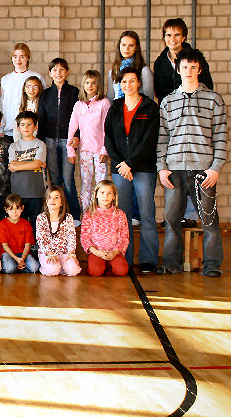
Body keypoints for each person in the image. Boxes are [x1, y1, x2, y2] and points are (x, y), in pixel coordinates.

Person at [157, 47, 227, 277]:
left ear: (200, 69)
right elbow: (162, 138)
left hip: (203, 170)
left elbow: (220, 136)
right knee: (171, 220)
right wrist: (162, 168)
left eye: (193, 67)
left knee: (209, 221)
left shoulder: (214, 100)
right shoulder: (168, 101)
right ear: (178, 69)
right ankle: (171, 264)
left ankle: (212, 265)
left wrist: (215, 168)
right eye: (184, 67)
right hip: (174, 170)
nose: (188, 71)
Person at [104, 67, 160, 274]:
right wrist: (121, 163)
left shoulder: (149, 107)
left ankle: (148, 261)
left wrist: (131, 163)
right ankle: (125, 258)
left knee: (146, 214)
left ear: (139, 83)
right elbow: (108, 138)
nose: (128, 85)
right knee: (123, 216)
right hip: (120, 169)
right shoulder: (115, 107)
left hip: (143, 168)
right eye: (124, 82)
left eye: (132, 81)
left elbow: (149, 140)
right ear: (120, 85)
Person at [37, 57, 81, 223]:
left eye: (62, 69)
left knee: (68, 180)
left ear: (67, 72)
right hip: (49, 141)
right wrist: (41, 142)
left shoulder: (74, 92)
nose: (58, 73)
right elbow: (41, 118)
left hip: (67, 141)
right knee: (54, 181)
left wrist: (77, 136)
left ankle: (74, 215)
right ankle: (57, 215)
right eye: (54, 69)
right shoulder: (45, 94)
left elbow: (79, 117)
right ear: (50, 73)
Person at [67, 70, 111, 211]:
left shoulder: (104, 103)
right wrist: (70, 151)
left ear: (98, 85)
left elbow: (107, 128)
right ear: (83, 85)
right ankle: (86, 214)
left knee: (101, 184)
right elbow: (72, 128)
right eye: (87, 83)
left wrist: (105, 149)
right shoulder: (78, 105)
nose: (90, 86)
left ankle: (101, 213)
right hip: (85, 150)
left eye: (93, 83)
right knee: (85, 184)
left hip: (99, 151)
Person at [154, 18, 212, 105]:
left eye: (177, 35)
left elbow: (208, 87)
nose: (172, 39)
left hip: (194, 108)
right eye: (169, 35)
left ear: (183, 37)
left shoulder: (196, 59)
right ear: (164, 38)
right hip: (169, 109)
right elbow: (159, 93)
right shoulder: (159, 63)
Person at [80, 180, 129, 277]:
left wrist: (114, 252)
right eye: (102, 193)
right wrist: (96, 252)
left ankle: (108, 266)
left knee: (122, 271)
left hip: (114, 252)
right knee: (96, 272)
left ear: (113, 196)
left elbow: (124, 237)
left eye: (109, 193)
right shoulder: (89, 214)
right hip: (97, 252)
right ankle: (98, 266)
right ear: (96, 195)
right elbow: (85, 237)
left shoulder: (120, 214)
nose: (105, 196)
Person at [8, 111, 47, 229]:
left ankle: (34, 241)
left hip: (36, 192)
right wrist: (33, 163)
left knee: (36, 223)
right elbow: (12, 164)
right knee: (20, 224)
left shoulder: (40, 144)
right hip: (18, 192)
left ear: (35, 127)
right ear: (18, 128)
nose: (26, 127)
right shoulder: (13, 146)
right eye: (23, 124)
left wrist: (17, 166)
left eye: (29, 124)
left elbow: (36, 163)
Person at [0, 43, 45, 141]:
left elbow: (43, 103)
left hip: (32, 132)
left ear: (28, 58)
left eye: (22, 57)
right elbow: (1, 105)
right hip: (8, 130)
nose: (18, 60)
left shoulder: (37, 77)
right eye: (15, 57)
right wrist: (1, 128)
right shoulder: (5, 79)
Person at [35, 186, 81, 277]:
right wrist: (49, 253)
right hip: (48, 253)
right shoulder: (41, 218)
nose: (53, 200)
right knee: (52, 271)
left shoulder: (68, 218)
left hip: (64, 253)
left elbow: (71, 237)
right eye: (49, 197)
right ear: (46, 202)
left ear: (61, 202)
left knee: (73, 271)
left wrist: (71, 252)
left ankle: (61, 266)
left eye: (56, 197)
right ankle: (50, 267)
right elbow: (41, 239)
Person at [0, 194, 39, 274]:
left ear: (22, 208)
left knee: (34, 268)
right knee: (10, 268)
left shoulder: (26, 224)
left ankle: (18, 266)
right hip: (7, 253)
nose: (14, 212)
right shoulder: (2, 224)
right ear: (6, 210)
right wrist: (16, 259)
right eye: (11, 209)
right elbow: (4, 246)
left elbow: (28, 244)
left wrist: (22, 258)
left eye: (17, 208)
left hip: (23, 254)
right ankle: (16, 266)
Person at [106, 31, 154, 101]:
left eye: (131, 45)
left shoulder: (144, 71)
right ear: (119, 46)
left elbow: (149, 98)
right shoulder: (113, 71)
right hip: (118, 107)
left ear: (136, 47)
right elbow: (110, 97)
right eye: (123, 45)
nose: (126, 49)